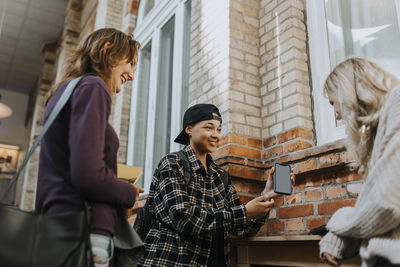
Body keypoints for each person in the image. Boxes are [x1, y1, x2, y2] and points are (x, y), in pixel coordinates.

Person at [35, 28, 143, 267]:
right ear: (107, 51)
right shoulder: (94, 87)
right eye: (130, 64)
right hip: (83, 228)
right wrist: (128, 193)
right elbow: (88, 175)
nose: (132, 75)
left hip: (58, 221)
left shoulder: (66, 90)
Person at [137, 103, 293, 267]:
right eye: (209, 128)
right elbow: (182, 218)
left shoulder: (220, 176)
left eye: (219, 129)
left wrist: (266, 196)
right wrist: (244, 212)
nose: (216, 135)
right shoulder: (173, 163)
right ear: (189, 129)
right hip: (172, 260)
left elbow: (242, 228)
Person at [319, 58, 400, 267]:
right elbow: (375, 206)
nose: (336, 114)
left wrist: (335, 225)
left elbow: (385, 204)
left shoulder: (398, 101)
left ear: (346, 91)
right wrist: (339, 238)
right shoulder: (380, 127)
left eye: (332, 102)